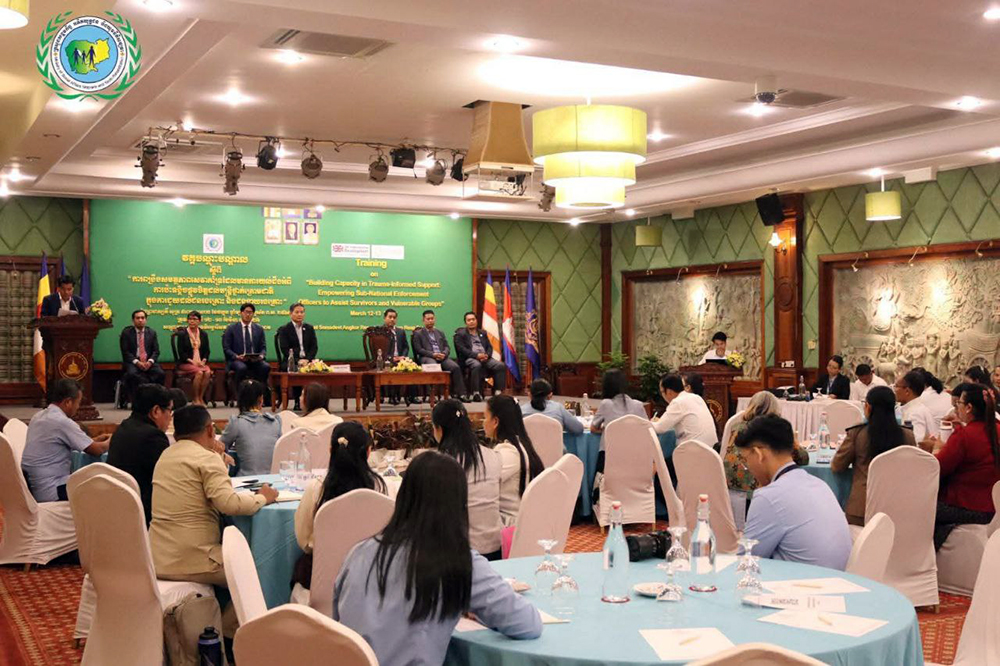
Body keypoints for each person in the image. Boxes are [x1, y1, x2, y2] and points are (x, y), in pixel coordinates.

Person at [334, 451, 541, 666]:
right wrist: (477, 608)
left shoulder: (359, 552)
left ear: (403, 497)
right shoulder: (457, 560)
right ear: (459, 505)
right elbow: (528, 623)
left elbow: (336, 624)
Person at [149, 405, 277, 587]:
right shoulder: (207, 458)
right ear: (210, 430)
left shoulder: (165, 455)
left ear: (176, 435)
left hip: (157, 559)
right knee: (262, 572)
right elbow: (229, 504)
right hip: (194, 560)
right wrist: (263, 497)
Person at [736, 414, 852, 570]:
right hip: (840, 579)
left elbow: (744, 564)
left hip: (801, 583)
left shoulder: (770, 497)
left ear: (758, 454)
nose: (748, 467)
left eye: (746, 459)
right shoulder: (820, 484)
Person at [293, 421, 387, 589]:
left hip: (324, 582)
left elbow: (304, 540)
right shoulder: (384, 488)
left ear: (330, 450)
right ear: (368, 452)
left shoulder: (317, 489)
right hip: (374, 579)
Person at [921, 384, 1000, 549]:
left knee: (920, 507)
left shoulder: (965, 435)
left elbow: (938, 469)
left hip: (967, 506)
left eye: (959, 404)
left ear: (969, 407)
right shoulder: (995, 429)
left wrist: (938, 447)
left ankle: (924, 555)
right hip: (993, 506)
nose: (957, 408)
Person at [723, 391, 809, 531]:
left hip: (730, 491)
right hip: (759, 493)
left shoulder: (737, 426)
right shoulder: (773, 431)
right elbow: (803, 458)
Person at [831, 386, 917, 526]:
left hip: (861, 509)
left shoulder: (857, 434)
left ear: (868, 407)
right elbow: (913, 470)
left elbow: (837, 466)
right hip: (897, 507)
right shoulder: (907, 435)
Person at [20, 379, 111, 502]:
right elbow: (97, 450)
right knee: (104, 486)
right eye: (78, 403)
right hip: (53, 489)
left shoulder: (38, 416)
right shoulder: (62, 422)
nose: (78, 407)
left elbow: (64, 442)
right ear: (68, 402)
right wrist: (113, 440)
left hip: (35, 489)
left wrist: (94, 440)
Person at [432, 399, 502, 558]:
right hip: (495, 546)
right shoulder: (493, 455)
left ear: (439, 429)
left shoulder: (441, 462)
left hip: (459, 553)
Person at [106, 383, 173, 525]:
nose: (170, 417)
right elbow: (168, 479)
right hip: (143, 514)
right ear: (156, 411)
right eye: (170, 410)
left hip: (117, 507)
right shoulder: (153, 437)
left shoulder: (123, 427)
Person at [483, 395, 544, 525]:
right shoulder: (520, 445)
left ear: (495, 422)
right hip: (521, 519)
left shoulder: (508, 452)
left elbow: (483, 483)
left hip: (510, 525)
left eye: (485, 417)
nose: (483, 422)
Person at [220, 380, 282, 475]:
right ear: (261, 399)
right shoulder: (275, 422)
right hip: (273, 479)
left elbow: (218, 447)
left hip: (246, 479)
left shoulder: (236, 423)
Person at [412, 309, 468, 401]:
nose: (430, 321)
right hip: (427, 357)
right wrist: (433, 354)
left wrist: (444, 354)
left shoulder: (440, 332)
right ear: (423, 320)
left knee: (455, 367)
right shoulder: (418, 334)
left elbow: (447, 346)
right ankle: (431, 394)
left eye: (432, 318)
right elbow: (419, 349)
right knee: (433, 365)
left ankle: (460, 394)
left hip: (442, 357)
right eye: (428, 319)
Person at [652, 373, 718, 446]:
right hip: (712, 449)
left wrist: (648, 423)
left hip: (693, 449)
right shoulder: (696, 397)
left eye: (662, 392)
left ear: (669, 392)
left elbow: (659, 428)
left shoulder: (677, 402)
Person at [454, 312, 506, 401]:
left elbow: (489, 347)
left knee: (500, 365)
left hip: (485, 358)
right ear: (465, 322)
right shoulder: (460, 334)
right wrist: (477, 356)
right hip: (470, 358)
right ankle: (476, 393)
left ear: (476, 320)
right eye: (469, 320)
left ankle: (498, 392)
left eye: (473, 319)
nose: (471, 322)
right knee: (476, 365)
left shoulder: (482, 333)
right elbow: (462, 350)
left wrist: (487, 355)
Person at [119, 309, 166, 406]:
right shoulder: (126, 333)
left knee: (160, 373)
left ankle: (157, 400)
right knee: (133, 375)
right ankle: (137, 402)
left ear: (146, 320)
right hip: (133, 362)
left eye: (142, 318)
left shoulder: (152, 333)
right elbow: (125, 352)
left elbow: (156, 351)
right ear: (133, 320)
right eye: (137, 318)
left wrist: (150, 361)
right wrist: (137, 362)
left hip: (148, 362)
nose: (140, 320)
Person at [276, 302, 317, 408]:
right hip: (291, 360)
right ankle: (297, 401)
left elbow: (314, 347)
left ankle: (314, 400)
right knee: (295, 368)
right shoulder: (285, 329)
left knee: (317, 369)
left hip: (307, 360)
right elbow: (285, 349)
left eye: (302, 312)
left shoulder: (309, 328)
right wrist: (298, 360)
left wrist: (307, 359)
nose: (300, 314)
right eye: (297, 312)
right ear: (290, 314)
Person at [222, 302, 270, 391]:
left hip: (255, 360)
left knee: (265, 366)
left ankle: (261, 393)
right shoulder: (231, 329)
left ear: (253, 314)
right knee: (242, 368)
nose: (248, 314)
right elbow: (226, 348)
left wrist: (261, 356)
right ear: (241, 313)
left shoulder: (259, 329)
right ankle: (239, 394)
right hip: (237, 360)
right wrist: (236, 356)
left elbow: (263, 347)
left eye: (250, 312)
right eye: (246, 312)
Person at [590, 368, 647, 440]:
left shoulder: (606, 404)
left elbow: (593, 428)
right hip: (635, 445)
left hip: (611, 446)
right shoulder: (638, 405)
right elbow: (647, 428)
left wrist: (607, 431)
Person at [174, 310, 213, 406]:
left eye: (194, 319)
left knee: (207, 372)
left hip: (200, 362)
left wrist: (203, 361)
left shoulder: (203, 334)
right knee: (199, 372)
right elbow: (181, 352)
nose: (192, 321)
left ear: (199, 321)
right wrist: (192, 361)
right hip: (186, 363)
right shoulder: (182, 334)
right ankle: (195, 399)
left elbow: (207, 351)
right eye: (190, 319)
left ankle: (200, 397)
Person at [894, 370, 938, 442]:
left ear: (907, 391)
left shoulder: (915, 413)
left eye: (896, 386)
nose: (894, 390)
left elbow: (916, 442)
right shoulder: (912, 408)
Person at [380, 308, 413, 406]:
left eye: (394, 317)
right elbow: (379, 349)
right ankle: (392, 396)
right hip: (386, 359)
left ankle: (409, 396)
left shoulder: (400, 331)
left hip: (400, 359)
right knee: (391, 365)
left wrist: (403, 356)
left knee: (409, 367)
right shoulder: (380, 331)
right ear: (384, 318)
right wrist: (391, 358)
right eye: (390, 317)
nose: (392, 319)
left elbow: (406, 347)